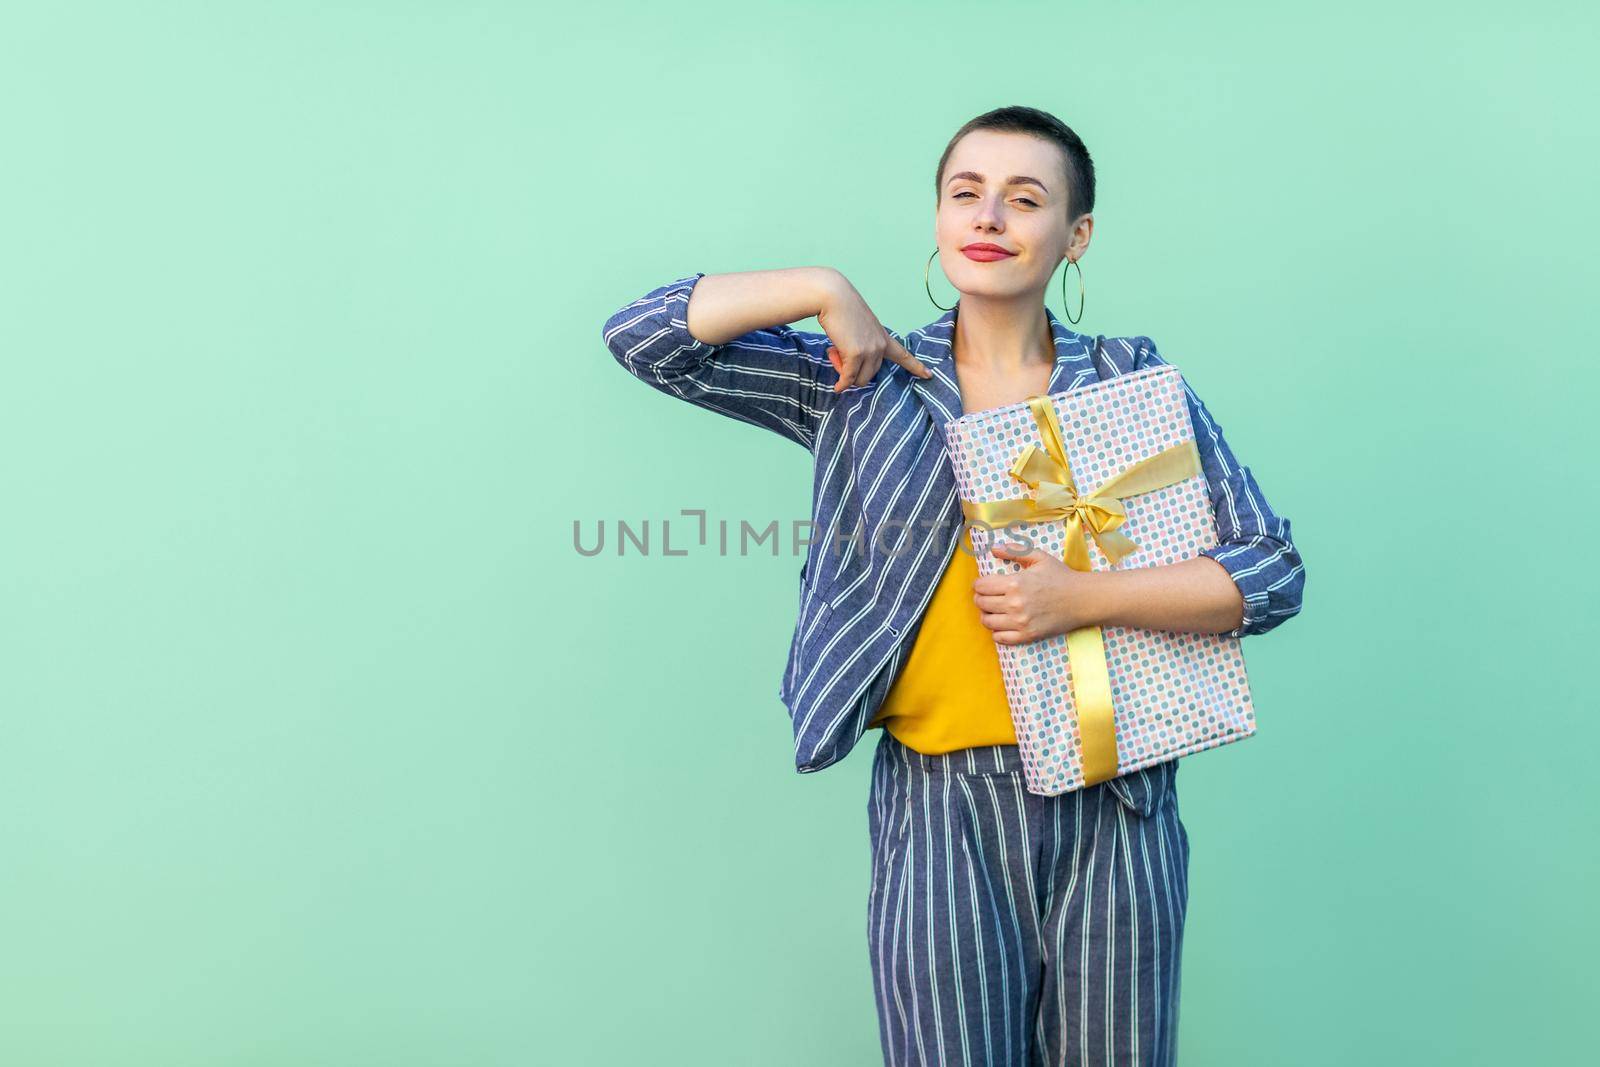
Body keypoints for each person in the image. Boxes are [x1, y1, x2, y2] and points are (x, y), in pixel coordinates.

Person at [600, 105, 1305, 1066]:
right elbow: (644, 339)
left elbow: (1270, 571)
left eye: (1026, 199)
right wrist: (820, 287)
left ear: (1075, 236)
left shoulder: (1133, 384)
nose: (990, 217)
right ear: (937, 219)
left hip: (1122, 800)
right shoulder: (864, 380)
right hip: (939, 806)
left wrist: (1081, 598)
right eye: (965, 194)